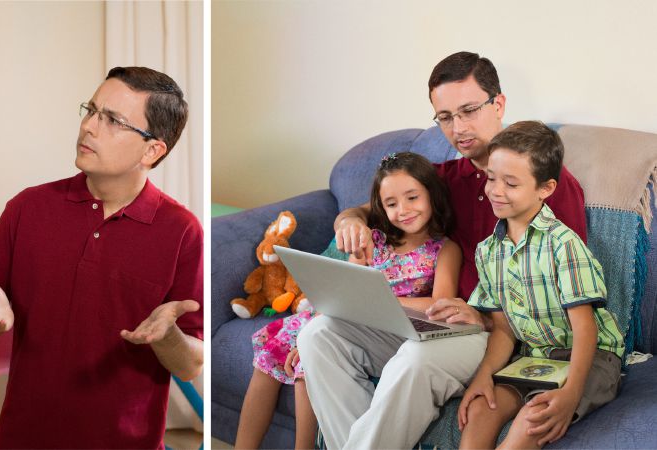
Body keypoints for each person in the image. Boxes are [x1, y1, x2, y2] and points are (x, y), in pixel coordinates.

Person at [297, 51, 589, 449]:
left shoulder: (546, 184)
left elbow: (561, 286)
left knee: (415, 360)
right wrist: (348, 220)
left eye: (468, 110)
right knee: (318, 334)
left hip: (493, 333)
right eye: (446, 117)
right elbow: (376, 207)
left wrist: (483, 315)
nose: (459, 128)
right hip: (442, 323)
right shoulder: (445, 179)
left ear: (498, 104)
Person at [0, 67, 203, 448]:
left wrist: (168, 336)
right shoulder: (27, 208)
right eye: (91, 110)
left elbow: (190, 363)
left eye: (112, 120)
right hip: (24, 436)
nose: (89, 126)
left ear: (152, 149)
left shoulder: (182, 231)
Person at [234, 152, 461, 450]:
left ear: (431, 194)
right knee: (266, 361)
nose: (403, 210)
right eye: (391, 204)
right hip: (337, 317)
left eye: (412, 198)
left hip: (381, 328)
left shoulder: (445, 249)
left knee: (308, 365)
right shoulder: (373, 240)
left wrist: (384, 299)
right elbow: (345, 287)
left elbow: (441, 303)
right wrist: (312, 324)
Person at [457, 121, 623, 449]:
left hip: (590, 357)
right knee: (480, 409)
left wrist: (571, 393)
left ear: (545, 188)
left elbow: (585, 329)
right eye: (491, 178)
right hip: (534, 357)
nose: (495, 190)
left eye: (511, 183)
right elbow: (503, 330)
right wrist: (483, 376)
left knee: (532, 419)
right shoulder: (487, 251)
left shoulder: (563, 245)